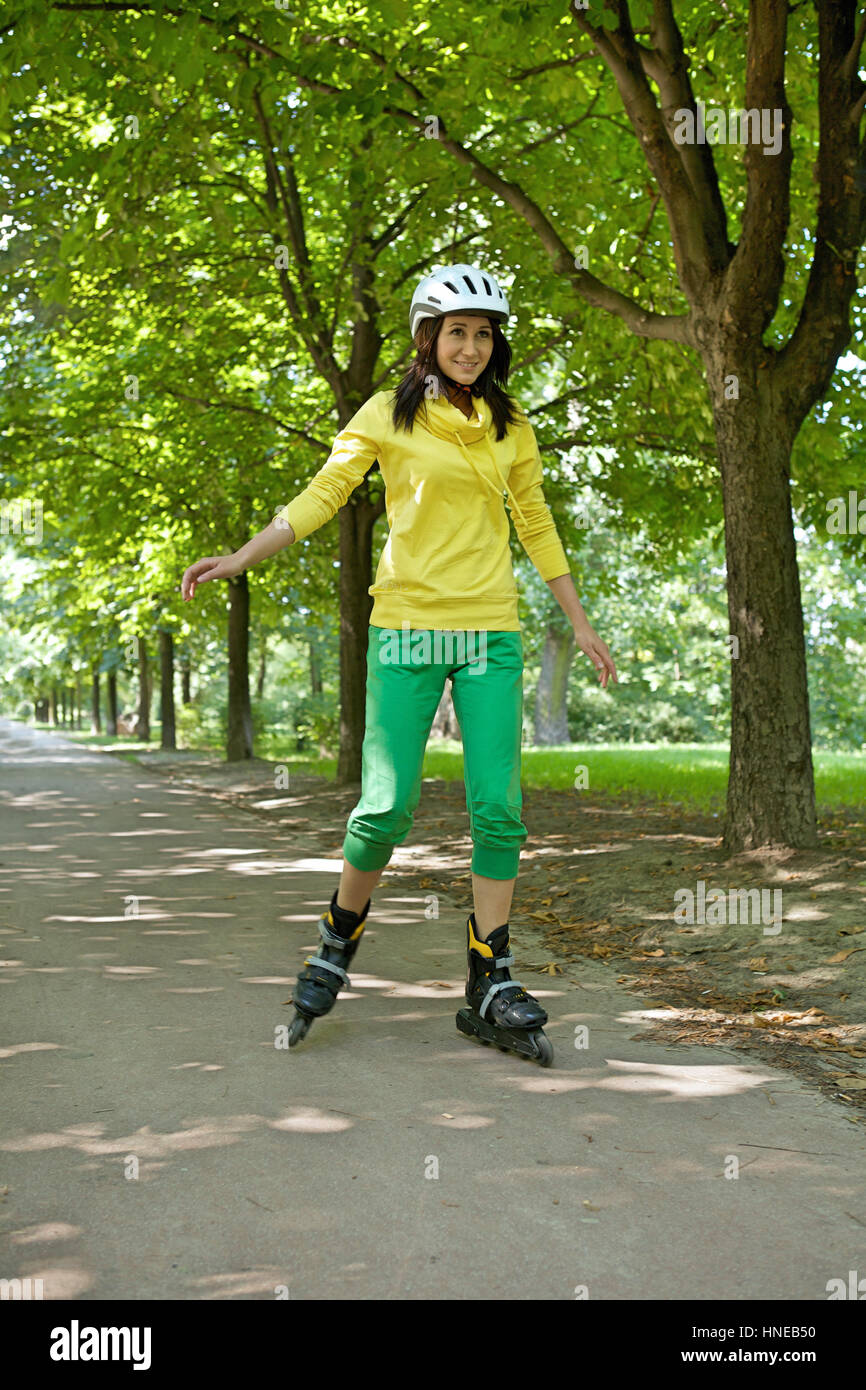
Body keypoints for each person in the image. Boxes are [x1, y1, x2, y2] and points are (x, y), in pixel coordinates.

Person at [180, 262, 617, 1066]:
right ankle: (335, 941)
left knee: (500, 809)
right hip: (408, 629)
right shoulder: (387, 414)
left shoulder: (510, 427)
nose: (472, 347)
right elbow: (323, 495)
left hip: (490, 631)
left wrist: (579, 623)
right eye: (457, 332)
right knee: (385, 806)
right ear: (428, 337)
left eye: (484, 334)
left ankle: (491, 977)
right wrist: (242, 557)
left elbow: (537, 524)